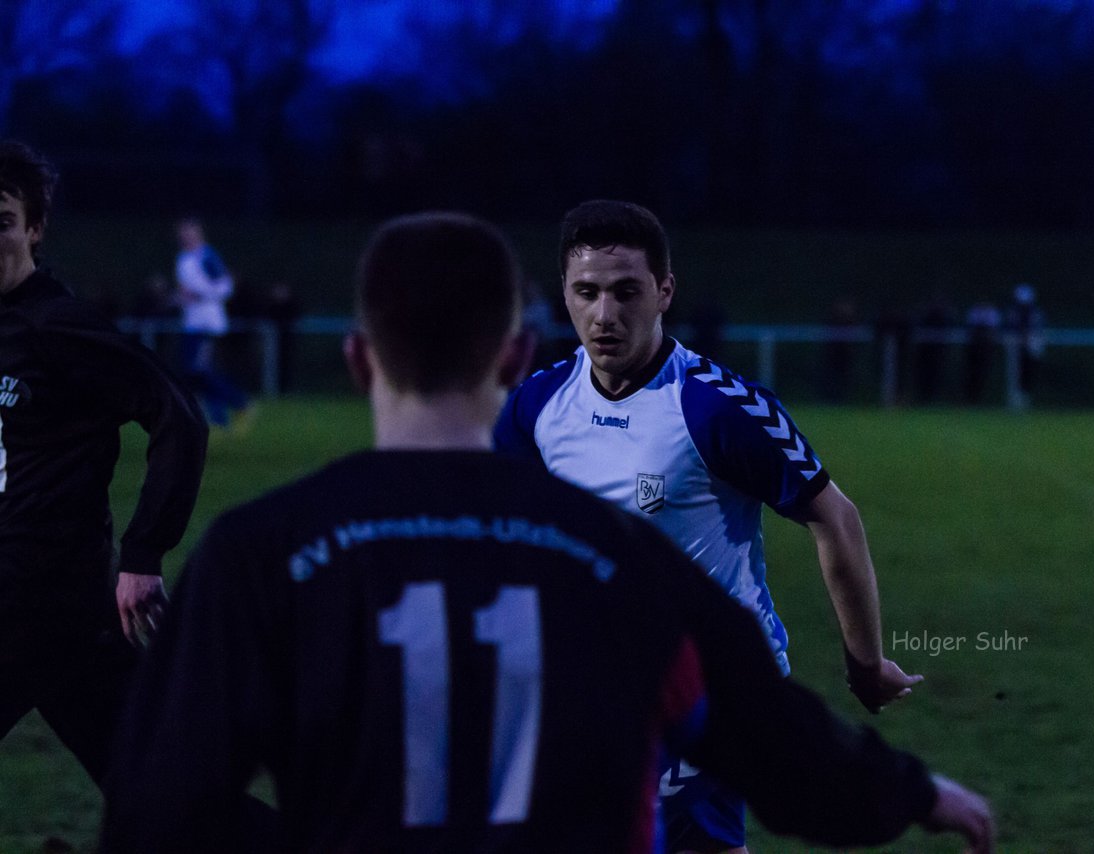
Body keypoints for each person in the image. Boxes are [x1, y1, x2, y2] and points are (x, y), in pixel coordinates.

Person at [101, 210, 991, 853]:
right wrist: (909, 793)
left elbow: (158, 811)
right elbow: (765, 735)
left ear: (357, 357)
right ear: (518, 354)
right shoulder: (612, 555)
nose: (604, 315)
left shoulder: (257, 555)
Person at [494, 200, 922, 854]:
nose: (605, 315)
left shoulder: (714, 406)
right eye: (587, 293)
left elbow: (835, 517)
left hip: (712, 686)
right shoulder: (538, 404)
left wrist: (865, 665)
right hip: (594, 687)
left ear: (664, 291)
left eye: (626, 292)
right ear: (564, 294)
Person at [0, 140, 207, 786]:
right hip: (65, 617)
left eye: (1, 220)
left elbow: (177, 415)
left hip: (37, 593)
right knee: (160, 791)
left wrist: (144, 555)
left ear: (34, 229)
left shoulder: (57, 327)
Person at [174, 216, 252, 428]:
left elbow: (225, 287)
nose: (186, 235)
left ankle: (240, 402)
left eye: (190, 231)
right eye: (183, 232)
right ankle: (220, 421)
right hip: (192, 323)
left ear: (199, 233)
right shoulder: (183, 258)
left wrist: (198, 294)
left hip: (208, 324)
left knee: (198, 371)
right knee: (200, 372)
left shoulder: (207, 256)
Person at [1005, 283, 1045, 410]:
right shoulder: (1013, 312)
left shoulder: (1035, 313)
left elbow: (1038, 329)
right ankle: (1014, 401)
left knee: (1028, 373)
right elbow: (1010, 327)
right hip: (1015, 347)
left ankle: (1024, 400)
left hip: (1030, 347)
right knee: (1014, 374)